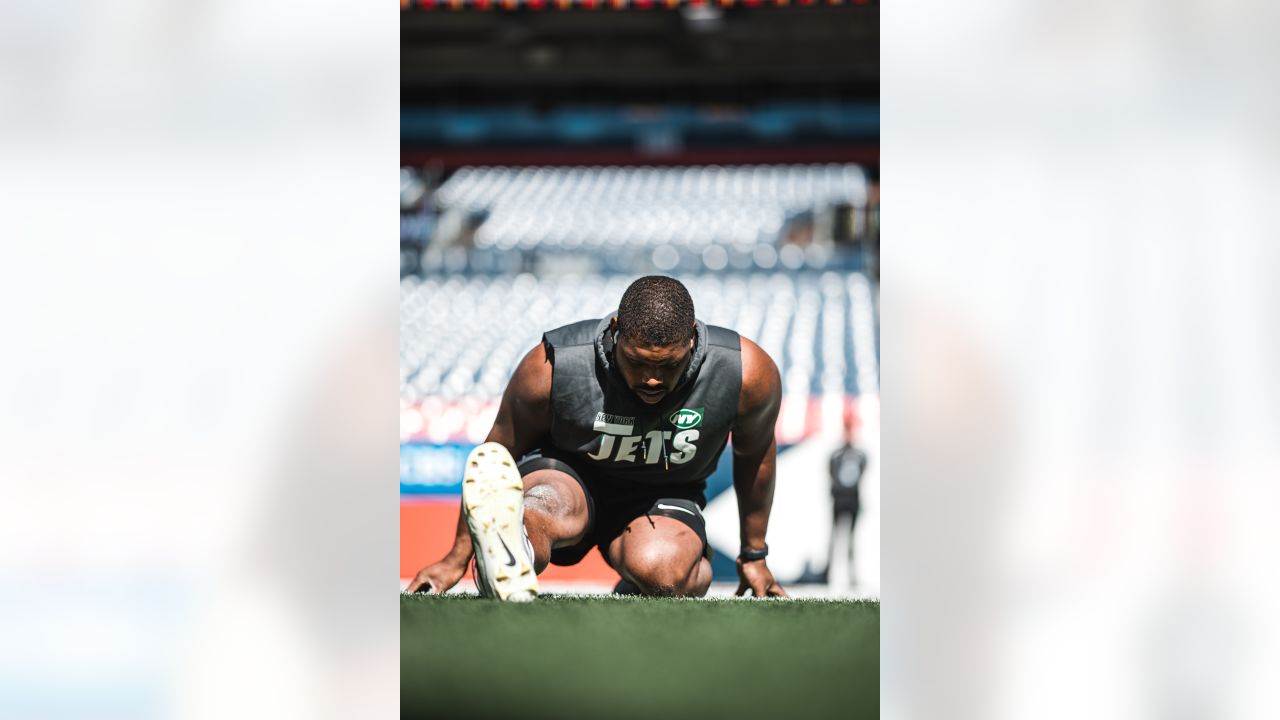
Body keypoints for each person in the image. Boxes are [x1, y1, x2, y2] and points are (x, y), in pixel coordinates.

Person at [407, 275, 787, 600]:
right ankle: (511, 555)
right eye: (637, 361)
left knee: (664, 571)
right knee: (540, 510)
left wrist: (754, 556)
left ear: (691, 340)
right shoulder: (551, 367)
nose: (651, 378)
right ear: (617, 330)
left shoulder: (746, 374)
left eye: (667, 366)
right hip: (566, 475)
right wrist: (455, 558)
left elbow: (756, 455)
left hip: (665, 494)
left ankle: (648, 580)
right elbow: (494, 458)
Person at [826, 413, 867, 588]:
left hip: (853, 500)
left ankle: (852, 576)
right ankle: (828, 575)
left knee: (851, 539)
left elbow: (862, 474)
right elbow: (831, 473)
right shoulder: (836, 455)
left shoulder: (860, 455)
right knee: (833, 538)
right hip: (839, 500)